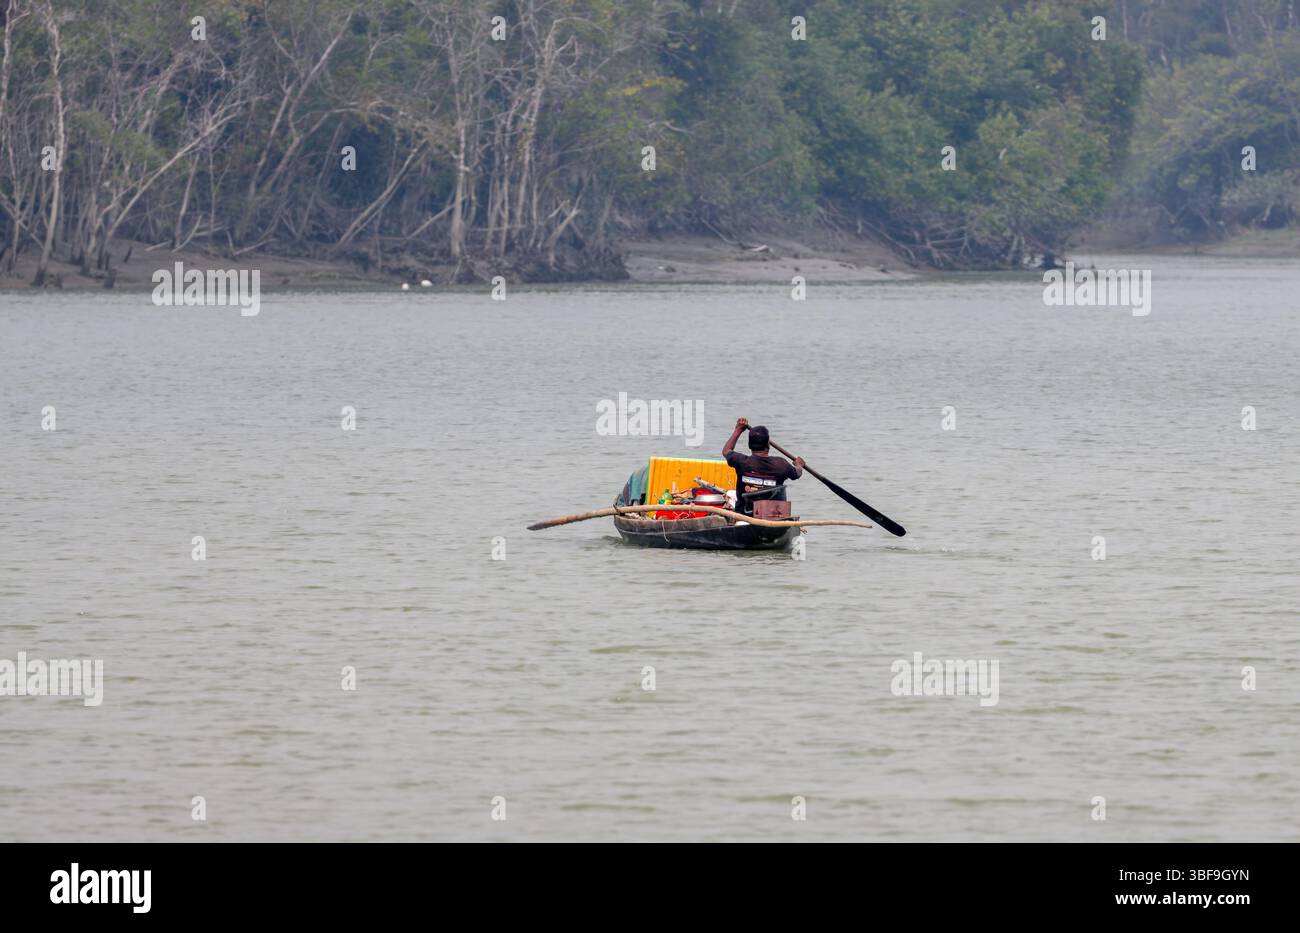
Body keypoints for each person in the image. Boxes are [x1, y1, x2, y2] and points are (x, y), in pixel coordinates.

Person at [722, 417, 803, 514]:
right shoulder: (781, 465)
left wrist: (738, 430)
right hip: (772, 517)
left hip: (744, 515)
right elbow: (797, 474)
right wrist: (799, 465)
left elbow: (726, 450)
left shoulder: (740, 462)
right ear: (768, 445)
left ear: (749, 445)